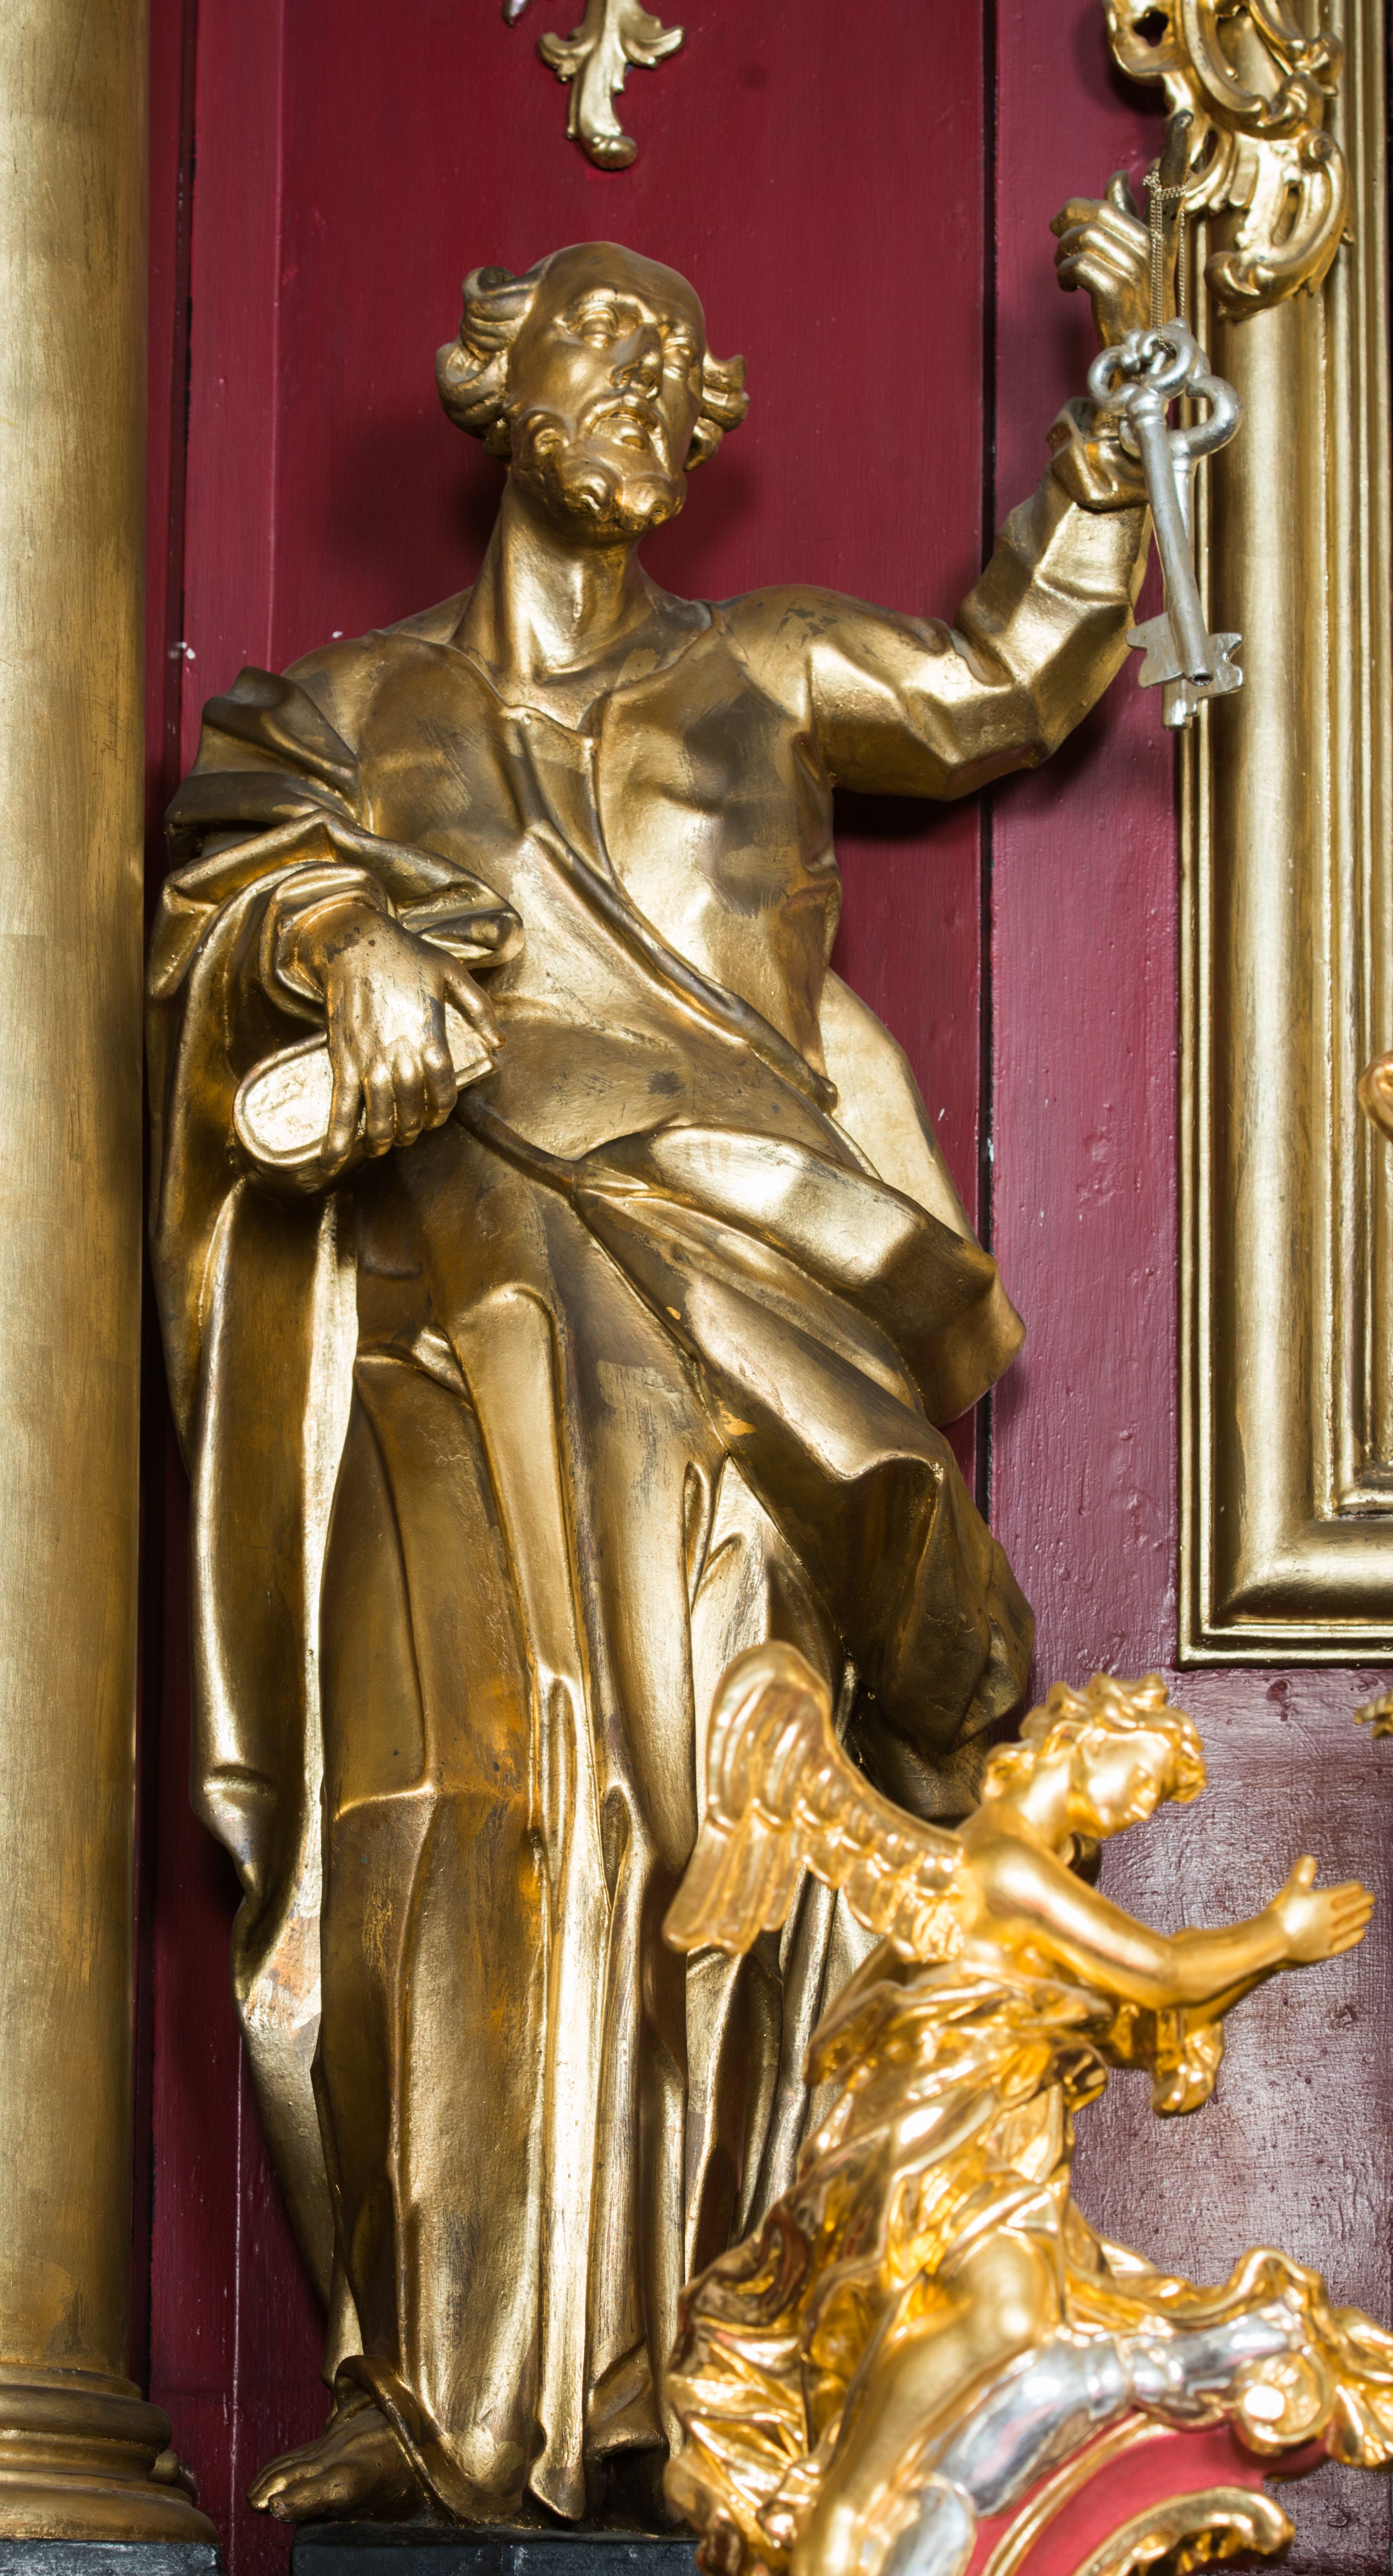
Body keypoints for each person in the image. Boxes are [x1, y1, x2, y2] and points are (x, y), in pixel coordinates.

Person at [150, 188, 1166, 2524]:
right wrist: (333, 942)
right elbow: (223, 897)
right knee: (454, 1808)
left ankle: (692, 2369)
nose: (645, 394)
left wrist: (1112, 455)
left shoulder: (766, 669)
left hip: (737, 1321)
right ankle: (452, 2380)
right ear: (496, 383)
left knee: (726, 1816)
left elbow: (1001, 683)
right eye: (599, 346)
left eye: (677, 374)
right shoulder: (343, 716)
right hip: (447, 1329)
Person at [664, 1650, 1389, 2576]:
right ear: (1087, 1743)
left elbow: (1140, 2008)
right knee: (999, 2319)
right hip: (949, 2151)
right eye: (1142, 1778)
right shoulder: (1004, 1862)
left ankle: (891, 2515)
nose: (1140, 1807)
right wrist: (1277, 1939)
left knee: (1014, 2319)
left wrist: (1247, 1966)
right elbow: (1162, 1972)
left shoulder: (1038, 1873)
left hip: (1003, 2145)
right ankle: (848, 2524)